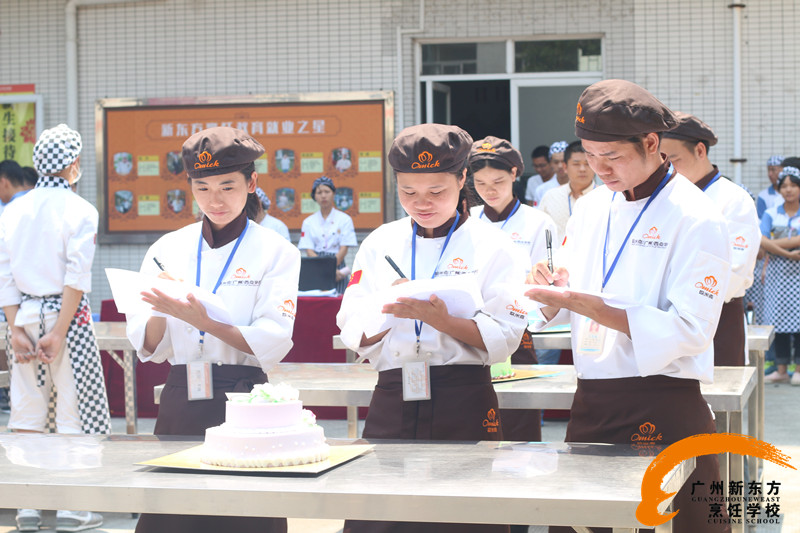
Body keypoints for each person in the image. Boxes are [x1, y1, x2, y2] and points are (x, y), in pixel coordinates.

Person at [525, 80, 732, 533]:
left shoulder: (696, 217)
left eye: (612, 157)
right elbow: (569, 289)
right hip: (591, 400)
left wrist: (594, 308)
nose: (599, 170)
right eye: (590, 156)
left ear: (652, 143)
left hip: (663, 399)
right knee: (581, 522)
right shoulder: (593, 208)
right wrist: (553, 287)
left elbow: (692, 329)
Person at [337, 123, 527, 533]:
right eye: (408, 192)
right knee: (380, 514)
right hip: (392, 392)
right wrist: (389, 311)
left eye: (436, 191)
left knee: (465, 516)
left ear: (462, 179)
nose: (421, 203)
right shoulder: (379, 243)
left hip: (464, 395)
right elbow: (352, 325)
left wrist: (443, 321)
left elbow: (505, 335)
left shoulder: (494, 244)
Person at [125, 127, 300, 533]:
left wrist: (202, 322)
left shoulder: (277, 251)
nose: (214, 200)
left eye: (227, 186)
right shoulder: (166, 248)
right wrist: (159, 309)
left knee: (245, 513)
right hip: (181, 394)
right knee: (173, 511)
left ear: (251, 183)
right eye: (202, 188)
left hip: (246, 400)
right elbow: (148, 346)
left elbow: (273, 340)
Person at [0, 124, 110, 532]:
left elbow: (5, 274)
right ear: (73, 164)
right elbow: (76, 278)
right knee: (73, 409)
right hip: (67, 319)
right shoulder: (80, 210)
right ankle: (72, 508)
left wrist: (14, 328)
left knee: (27, 410)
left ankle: (27, 507)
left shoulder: (14, 209)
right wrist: (60, 330)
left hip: (24, 316)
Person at [468, 135, 556, 451]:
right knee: (476, 423)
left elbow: (545, 283)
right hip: (469, 332)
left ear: (516, 174)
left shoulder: (538, 223)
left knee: (519, 426)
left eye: (498, 181)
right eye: (479, 183)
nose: (489, 190)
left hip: (518, 331)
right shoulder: (465, 222)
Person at [661, 112, 760, 366]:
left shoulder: (734, 200)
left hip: (717, 317)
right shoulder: (664, 198)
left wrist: (684, 299)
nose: (668, 169)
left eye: (674, 159)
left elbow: (736, 272)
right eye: (662, 161)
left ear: (700, 150)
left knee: (718, 399)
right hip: (662, 318)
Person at [757, 165, 800, 384]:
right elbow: (760, 241)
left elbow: (767, 242)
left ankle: (798, 370)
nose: (788, 190)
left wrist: (775, 246)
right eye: (784, 186)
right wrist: (788, 253)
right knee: (780, 323)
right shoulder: (771, 212)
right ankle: (782, 370)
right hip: (778, 276)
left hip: (797, 277)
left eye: (793, 185)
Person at [297, 176, 358, 294]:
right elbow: (309, 251)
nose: (323, 196)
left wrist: (331, 269)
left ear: (333, 193)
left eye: (327, 191)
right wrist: (323, 269)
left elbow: (344, 249)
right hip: (315, 267)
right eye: (319, 192)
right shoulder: (308, 222)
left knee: (340, 303)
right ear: (314, 196)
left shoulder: (345, 219)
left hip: (338, 269)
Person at [537, 140, 597, 242]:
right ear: (565, 167)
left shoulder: (606, 198)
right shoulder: (551, 197)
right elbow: (540, 234)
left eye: (587, 164)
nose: (582, 169)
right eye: (576, 164)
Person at [532, 141, 569, 206]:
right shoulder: (542, 190)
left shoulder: (581, 186)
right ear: (550, 163)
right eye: (556, 162)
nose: (560, 166)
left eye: (563, 161)